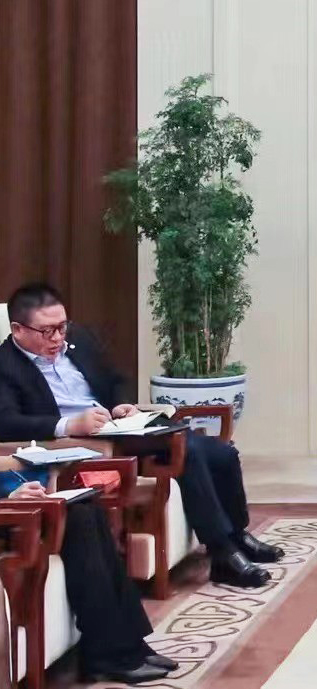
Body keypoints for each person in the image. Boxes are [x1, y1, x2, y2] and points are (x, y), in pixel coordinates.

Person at [0, 282, 282, 588]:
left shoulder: (79, 339)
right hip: (81, 446)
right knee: (188, 452)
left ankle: (237, 534)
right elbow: (7, 422)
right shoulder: (5, 365)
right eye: (47, 331)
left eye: (62, 326)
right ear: (18, 330)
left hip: (121, 429)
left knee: (222, 453)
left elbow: (116, 379)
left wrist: (122, 404)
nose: (57, 337)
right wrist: (68, 425)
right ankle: (222, 552)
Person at [1, 458, 176, 684]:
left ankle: (132, 643)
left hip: (23, 509)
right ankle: (106, 654)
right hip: (10, 517)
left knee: (91, 510)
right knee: (80, 519)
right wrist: (9, 498)